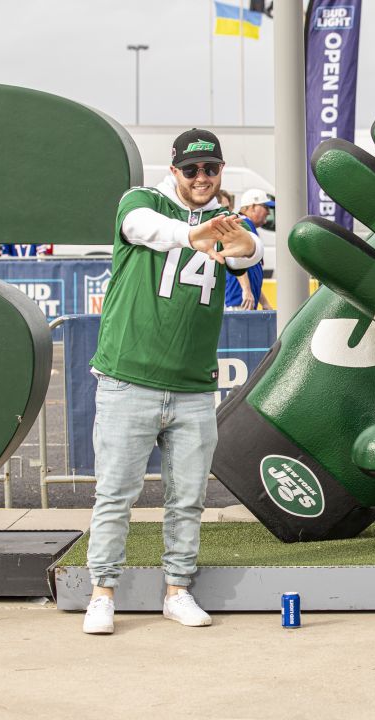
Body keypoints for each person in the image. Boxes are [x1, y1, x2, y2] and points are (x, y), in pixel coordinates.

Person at [82, 128, 263, 635]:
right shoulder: (142, 200)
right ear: (175, 169)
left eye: (211, 169)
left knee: (188, 498)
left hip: (192, 387)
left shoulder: (223, 218)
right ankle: (103, 593)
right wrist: (195, 236)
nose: (202, 178)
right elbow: (142, 228)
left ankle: (178, 590)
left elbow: (249, 251)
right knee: (115, 494)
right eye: (192, 170)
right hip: (128, 378)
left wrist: (235, 238)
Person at [223, 188, 274, 311]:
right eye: (265, 208)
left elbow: (252, 273)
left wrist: (265, 302)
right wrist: (246, 291)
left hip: (244, 301)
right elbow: (236, 258)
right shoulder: (243, 224)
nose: (268, 212)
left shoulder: (249, 226)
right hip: (239, 300)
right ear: (252, 207)